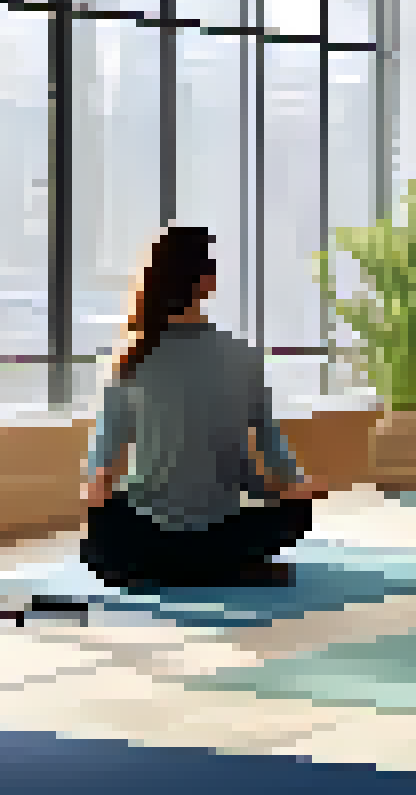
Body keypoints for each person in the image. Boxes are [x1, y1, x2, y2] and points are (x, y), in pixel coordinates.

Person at [79, 226, 326, 588]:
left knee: (102, 533)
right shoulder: (243, 357)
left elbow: (100, 475)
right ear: (206, 283)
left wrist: (98, 506)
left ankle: (163, 569)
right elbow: (273, 451)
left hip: (147, 540)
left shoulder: (129, 359)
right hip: (224, 533)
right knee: (294, 511)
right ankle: (225, 566)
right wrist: (294, 489)